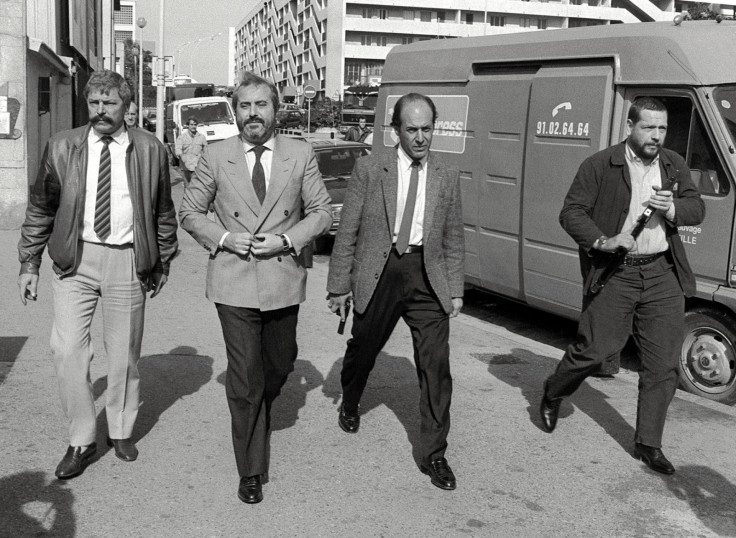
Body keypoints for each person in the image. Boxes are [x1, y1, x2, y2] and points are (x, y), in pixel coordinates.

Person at [17, 70, 179, 479]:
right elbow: (40, 208)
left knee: (123, 354)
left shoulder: (149, 149)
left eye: (109, 103)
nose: (101, 111)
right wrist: (29, 262)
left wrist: (162, 260)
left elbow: (163, 211)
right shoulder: (62, 147)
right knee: (67, 350)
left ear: (127, 106)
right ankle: (82, 439)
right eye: (94, 102)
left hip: (128, 260)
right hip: (76, 260)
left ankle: (121, 429)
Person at [179, 72, 331, 504]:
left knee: (279, 364)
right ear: (235, 111)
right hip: (233, 279)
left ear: (275, 110)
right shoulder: (216, 154)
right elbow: (191, 211)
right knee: (245, 377)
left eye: (260, 105)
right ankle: (250, 469)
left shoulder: (299, 155)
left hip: (283, 277)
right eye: (244, 106)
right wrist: (225, 238)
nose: (252, 115)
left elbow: (321, 211)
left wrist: (287, 239)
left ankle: (260, 409)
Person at [539, 97, 705, 475]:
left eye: (662, 128)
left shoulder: (673, 165)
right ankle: (555, 390)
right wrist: (603, 240)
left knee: (663, 365)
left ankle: (648, 443)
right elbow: (571, 212)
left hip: (662, 272)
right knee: (595, 351)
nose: (656, 136)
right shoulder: (600, 165)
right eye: (648, 127)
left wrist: (673, 209)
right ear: (629, 126)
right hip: (618, 271)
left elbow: (696, 208)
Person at [327, 93, 465, 491]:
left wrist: (455, 290)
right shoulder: (371, 169)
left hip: (427, 274)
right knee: (363, 348)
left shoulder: (446, 173)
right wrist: (338, 286)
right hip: (381, 269)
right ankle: (351, 398)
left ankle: (434, 453)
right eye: (412, 129)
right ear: (395, 131)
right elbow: (347, 231)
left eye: (427, 129)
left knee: (436, 366)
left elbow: (453, 236)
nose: (421, 138)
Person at [175, 117, 207, 185]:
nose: (193, 126)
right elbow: (178, 150)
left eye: (195, 124)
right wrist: (182, 156)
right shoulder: (182, 137)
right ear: (188, 125)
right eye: (191, 124)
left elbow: (206, 150)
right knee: (188, 186)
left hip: (198, 166)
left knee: (198, 186)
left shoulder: (201, 137)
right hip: (186, 166)